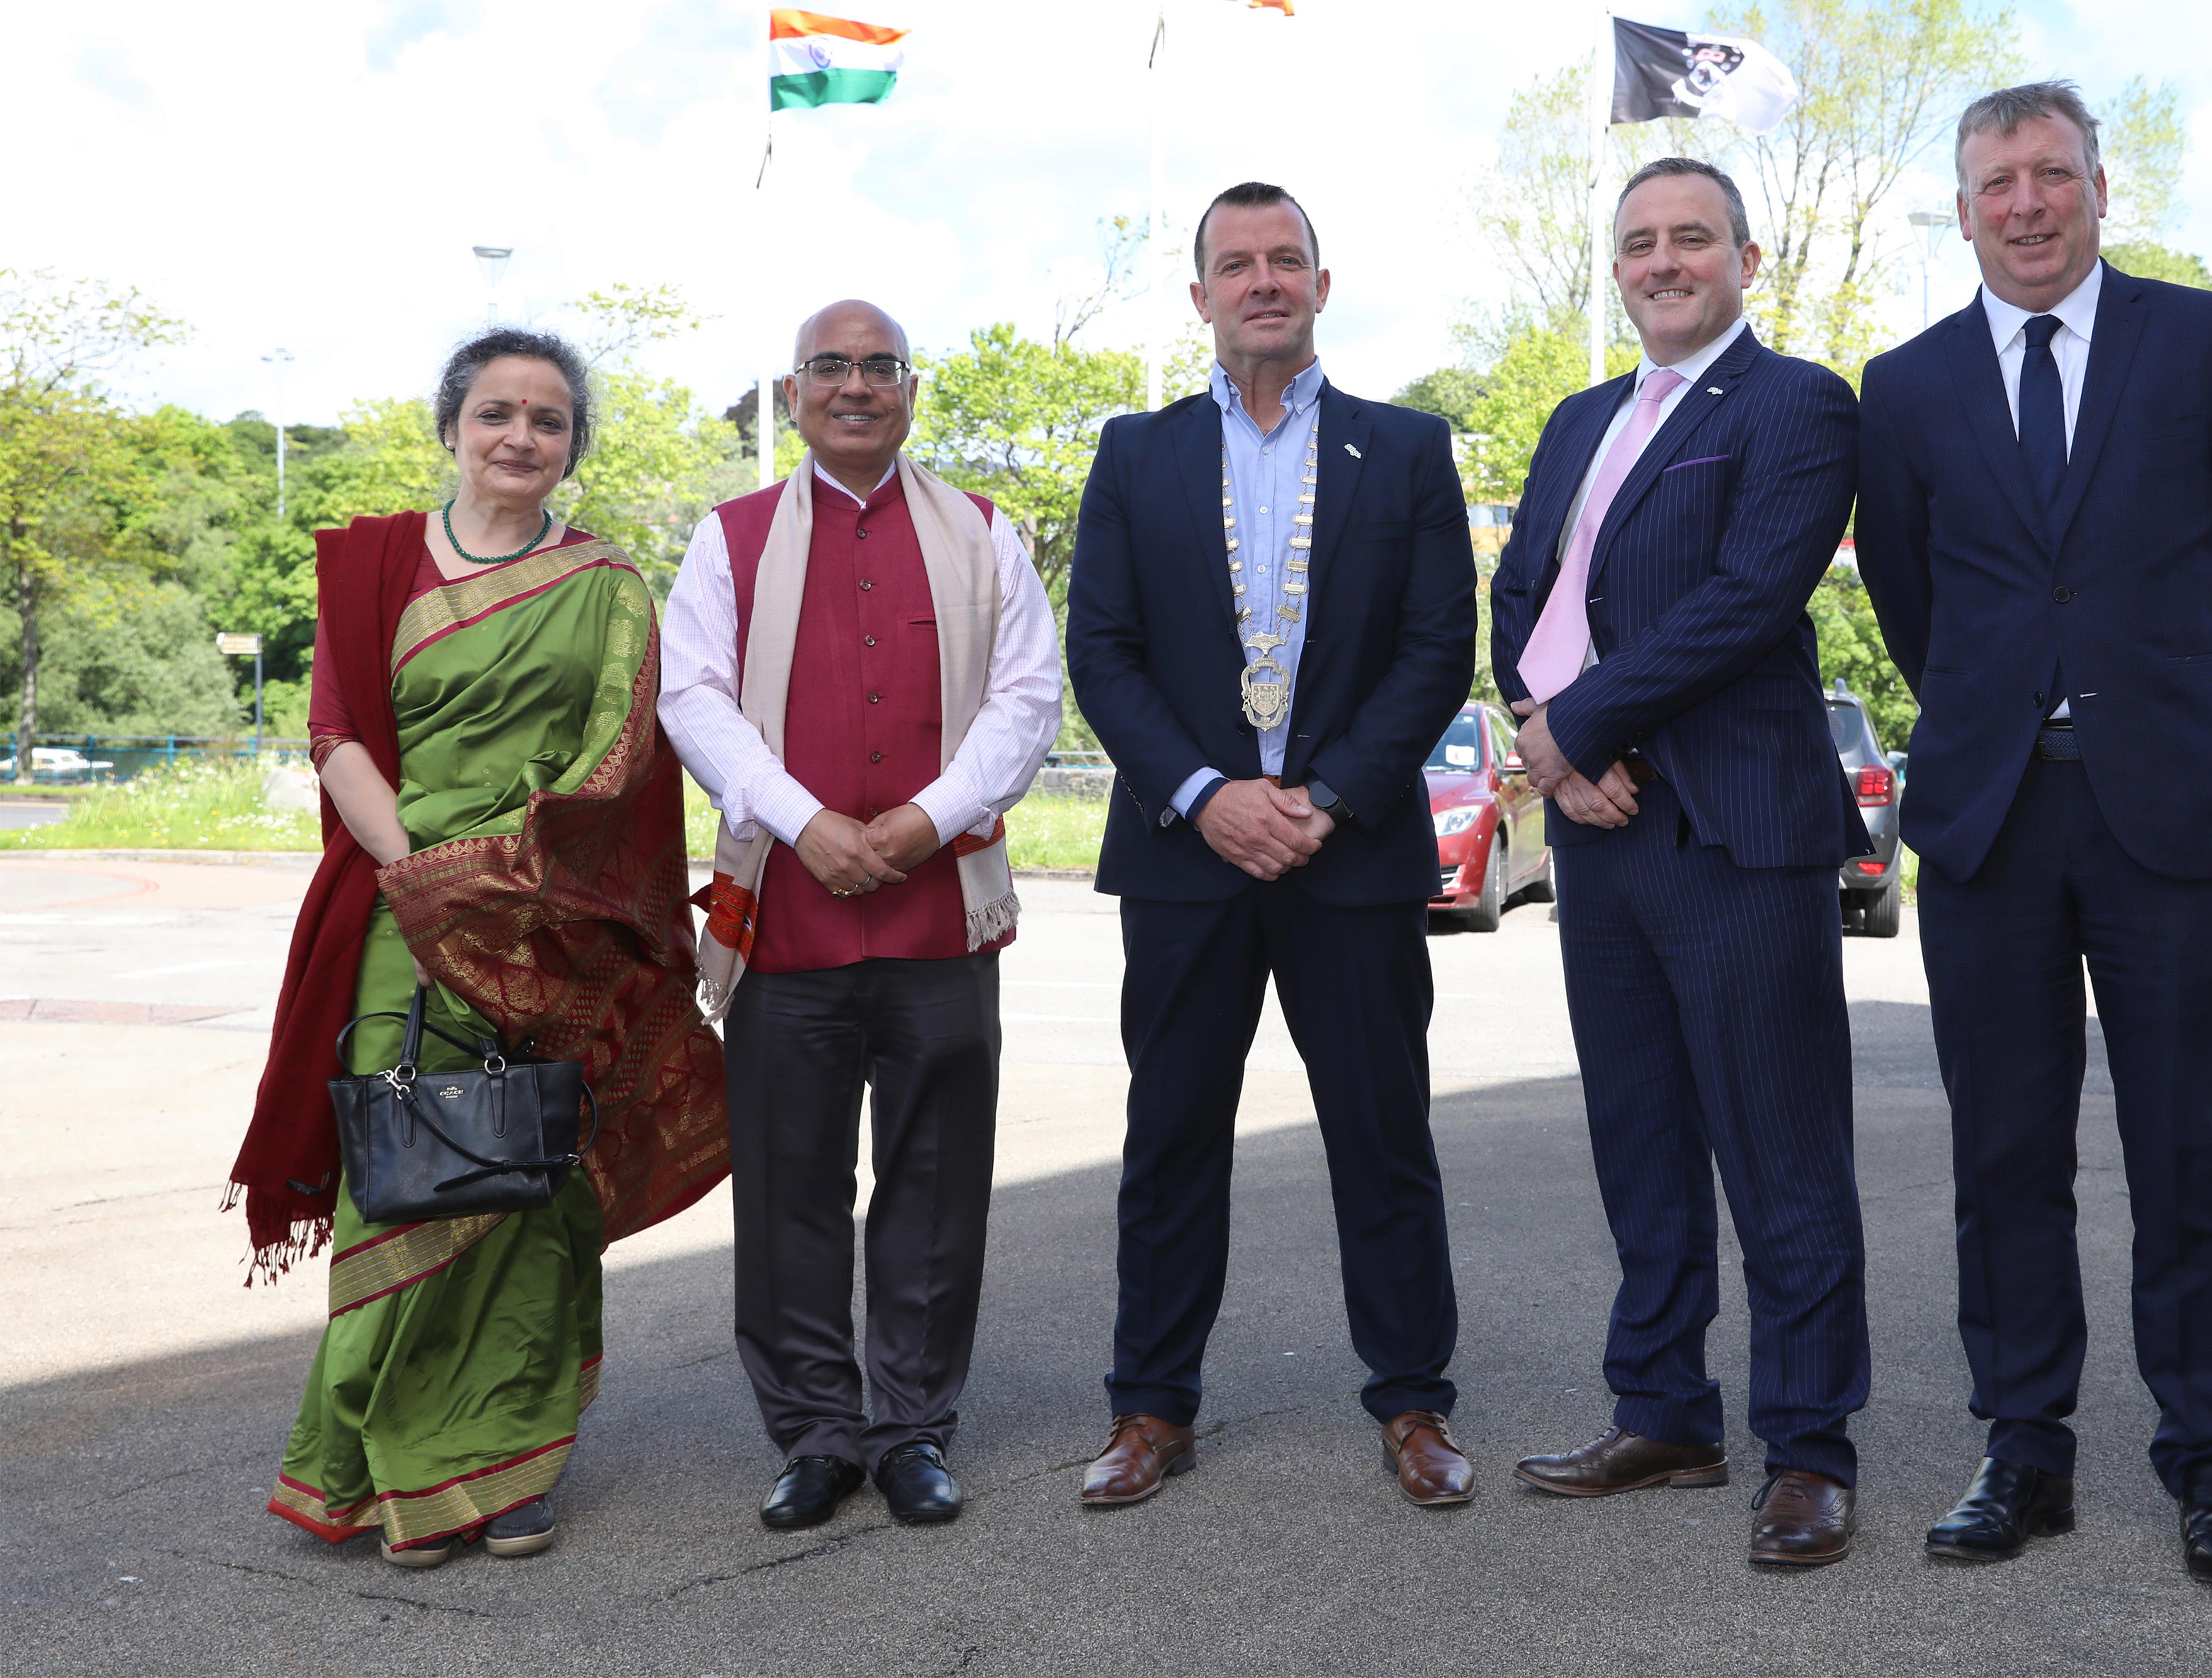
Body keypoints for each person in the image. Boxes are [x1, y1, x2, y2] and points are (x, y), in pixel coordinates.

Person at [1856, 82, 2212, 1583]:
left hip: (2169, 808)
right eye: (1999, 182)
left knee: (2183, 1144)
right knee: (2003, 1151)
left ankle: (2208, 1456)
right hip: (1988, 816)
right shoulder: (1906, 387)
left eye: (2054, 175)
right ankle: (2023, 1449)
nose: (2029, 204)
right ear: (1966, 206)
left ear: (2101, 192)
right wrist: (2013, 713)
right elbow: (1917, 606)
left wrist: (2168, 713)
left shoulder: (2207, 342)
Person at [231, 327, 731, 1569]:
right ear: (452, 424)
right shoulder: (378, 564)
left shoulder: (608, 583)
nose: (521, 436)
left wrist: (506, 880)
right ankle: (383, 1465)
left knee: (525, 1181)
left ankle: (509, 1463)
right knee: (402, 1170)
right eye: (498, 411)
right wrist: (419, 869)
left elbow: (616, 763)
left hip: (542, 917)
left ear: (572, 445)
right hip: (403, 911)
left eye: (549, 419)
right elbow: (337, 728)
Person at [1064, 182, 1478, 1508]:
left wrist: (1327, 795)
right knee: (1171, 1134)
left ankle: (1413, 1401)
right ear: (1198, 297)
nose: (1261, 282)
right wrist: (1205, 790)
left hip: (1347, 853)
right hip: (1188, 853)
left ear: (1320, 282)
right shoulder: (1135, 452)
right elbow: (1104, 654)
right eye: (1234, 265)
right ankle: (1149, 1407)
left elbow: (1435, 647)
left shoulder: (1406, 450)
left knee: (1382, 1132)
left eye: (1284, 259)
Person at [1491, 159, 1875, 1568]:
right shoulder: (1577, 417)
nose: (1663, 261)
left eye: (1691, 239)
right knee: (1640, 1141)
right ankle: (1662, 1411)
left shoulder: (1797, 406)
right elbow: (1521, 590)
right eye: (1640, 242)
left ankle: (1810, 1448)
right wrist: (1556, 751)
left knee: (1780, 1151)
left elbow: (1743, 599)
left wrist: (1576, 727)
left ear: (1745, 259)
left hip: (1735, 832)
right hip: (1600, 833)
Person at [659, 299, 1060, 1533]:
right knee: (789, 1186)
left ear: (909, 391)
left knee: (936, 1182)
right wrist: (804, 820)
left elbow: (1026, 698)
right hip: (788, 915)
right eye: (828, 367)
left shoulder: (986, 534)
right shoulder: (727, 539)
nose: (854, 386)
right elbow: (693, 697)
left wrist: (924, 822)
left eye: (877, 367)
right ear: (791, 395)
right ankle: (817, 1433)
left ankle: (912, 1427)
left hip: (941, 912)